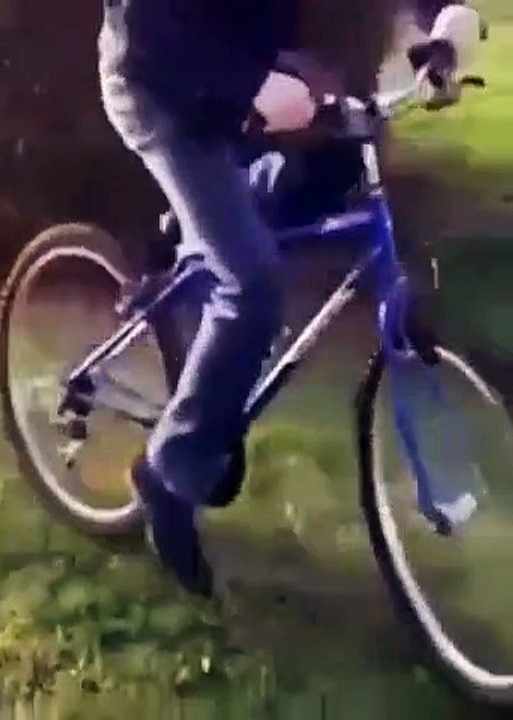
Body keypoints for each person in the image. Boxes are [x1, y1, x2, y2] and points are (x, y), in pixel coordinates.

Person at [97, 1, 483, 597]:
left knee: (335, 168)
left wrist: (445, 19)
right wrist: (252, 85)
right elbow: (144, 29)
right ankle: (166, 474)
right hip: (157, 85)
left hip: (244, 71)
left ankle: (204, 234)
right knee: (253, 287)